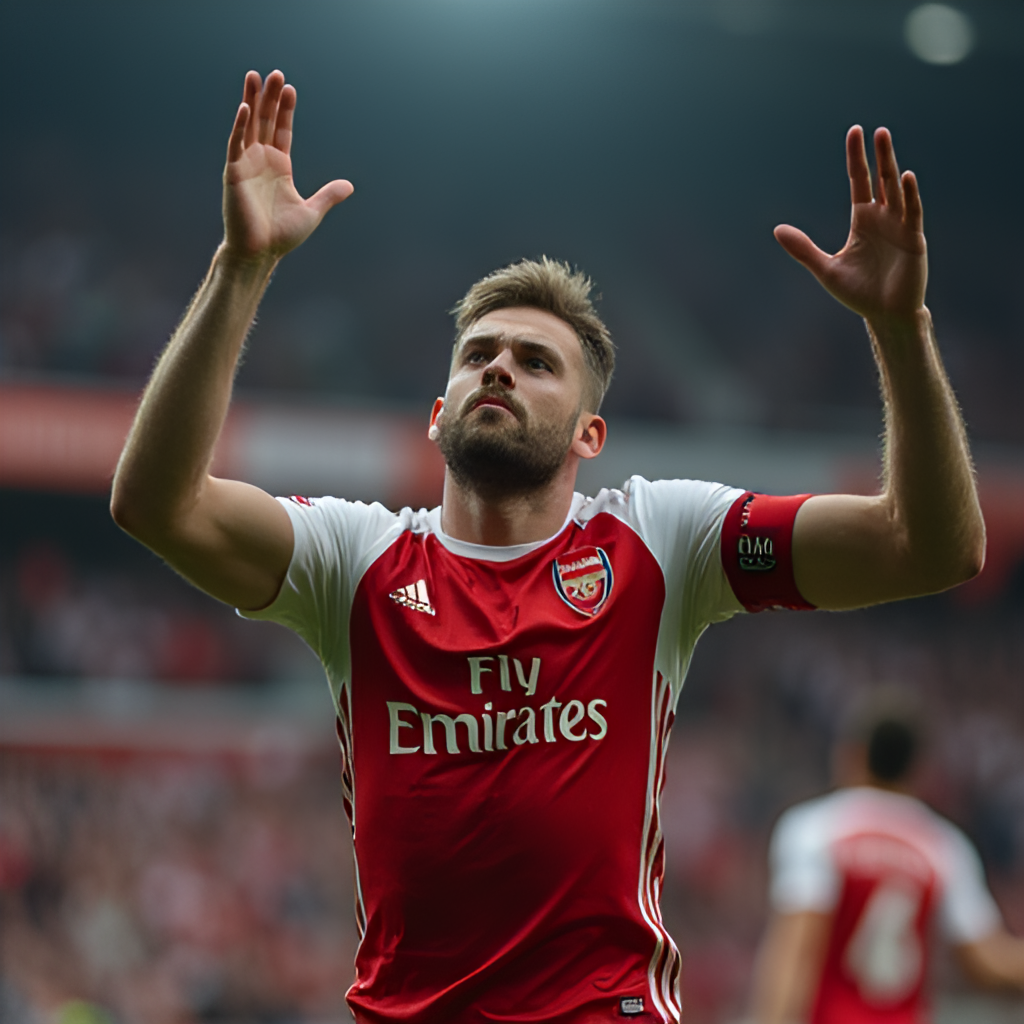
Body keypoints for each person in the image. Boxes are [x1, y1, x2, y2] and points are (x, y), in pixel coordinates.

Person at [110, 69, 985, 1023]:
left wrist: (903, 331)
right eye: (480, 353)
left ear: (589, 434)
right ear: (439, 413)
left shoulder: (661, 539)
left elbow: (927, 547)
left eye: (537, 362)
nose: (500, 367)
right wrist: (240, 267)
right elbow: (158, 502)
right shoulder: (351, 561)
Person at [750, 705, 1024, 1024]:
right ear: (916, 768)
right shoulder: (944, 845)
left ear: (853, 754)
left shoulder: (816, 829)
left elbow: (795, 951)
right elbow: (987, 963)